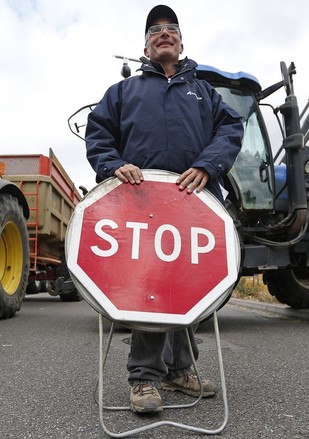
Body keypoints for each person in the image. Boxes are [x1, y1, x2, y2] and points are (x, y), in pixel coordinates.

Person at [84, 5, 243, 413]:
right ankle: (143, 379)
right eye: (155, 30)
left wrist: (208, 166)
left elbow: (230, 129)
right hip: (142, 208)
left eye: (171, 28)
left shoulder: (205, 92)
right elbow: (99, 135)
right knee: (148, 291)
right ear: (146, 46)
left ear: (181, 42)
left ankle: (178, 370)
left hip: (194, 206)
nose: (163, 32)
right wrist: (114, 166)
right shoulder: (123, 92)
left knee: (189, 289)